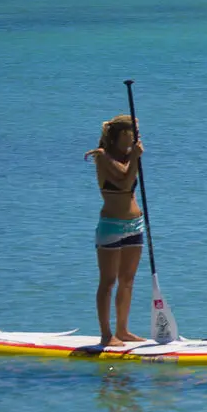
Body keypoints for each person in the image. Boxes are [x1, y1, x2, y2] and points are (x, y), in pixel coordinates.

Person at [84, 115, 147, 347]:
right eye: (134, 131)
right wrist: (136, 158)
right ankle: (106, 334)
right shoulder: (103, 157)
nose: (138, 136)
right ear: (123, 134)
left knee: (127, 280)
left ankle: (123, 329)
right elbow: (123, 180)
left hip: (135, 224)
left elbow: (130, 180)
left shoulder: (130, 157)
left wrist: (134, 157)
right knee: (108, 281)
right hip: (111, 225)